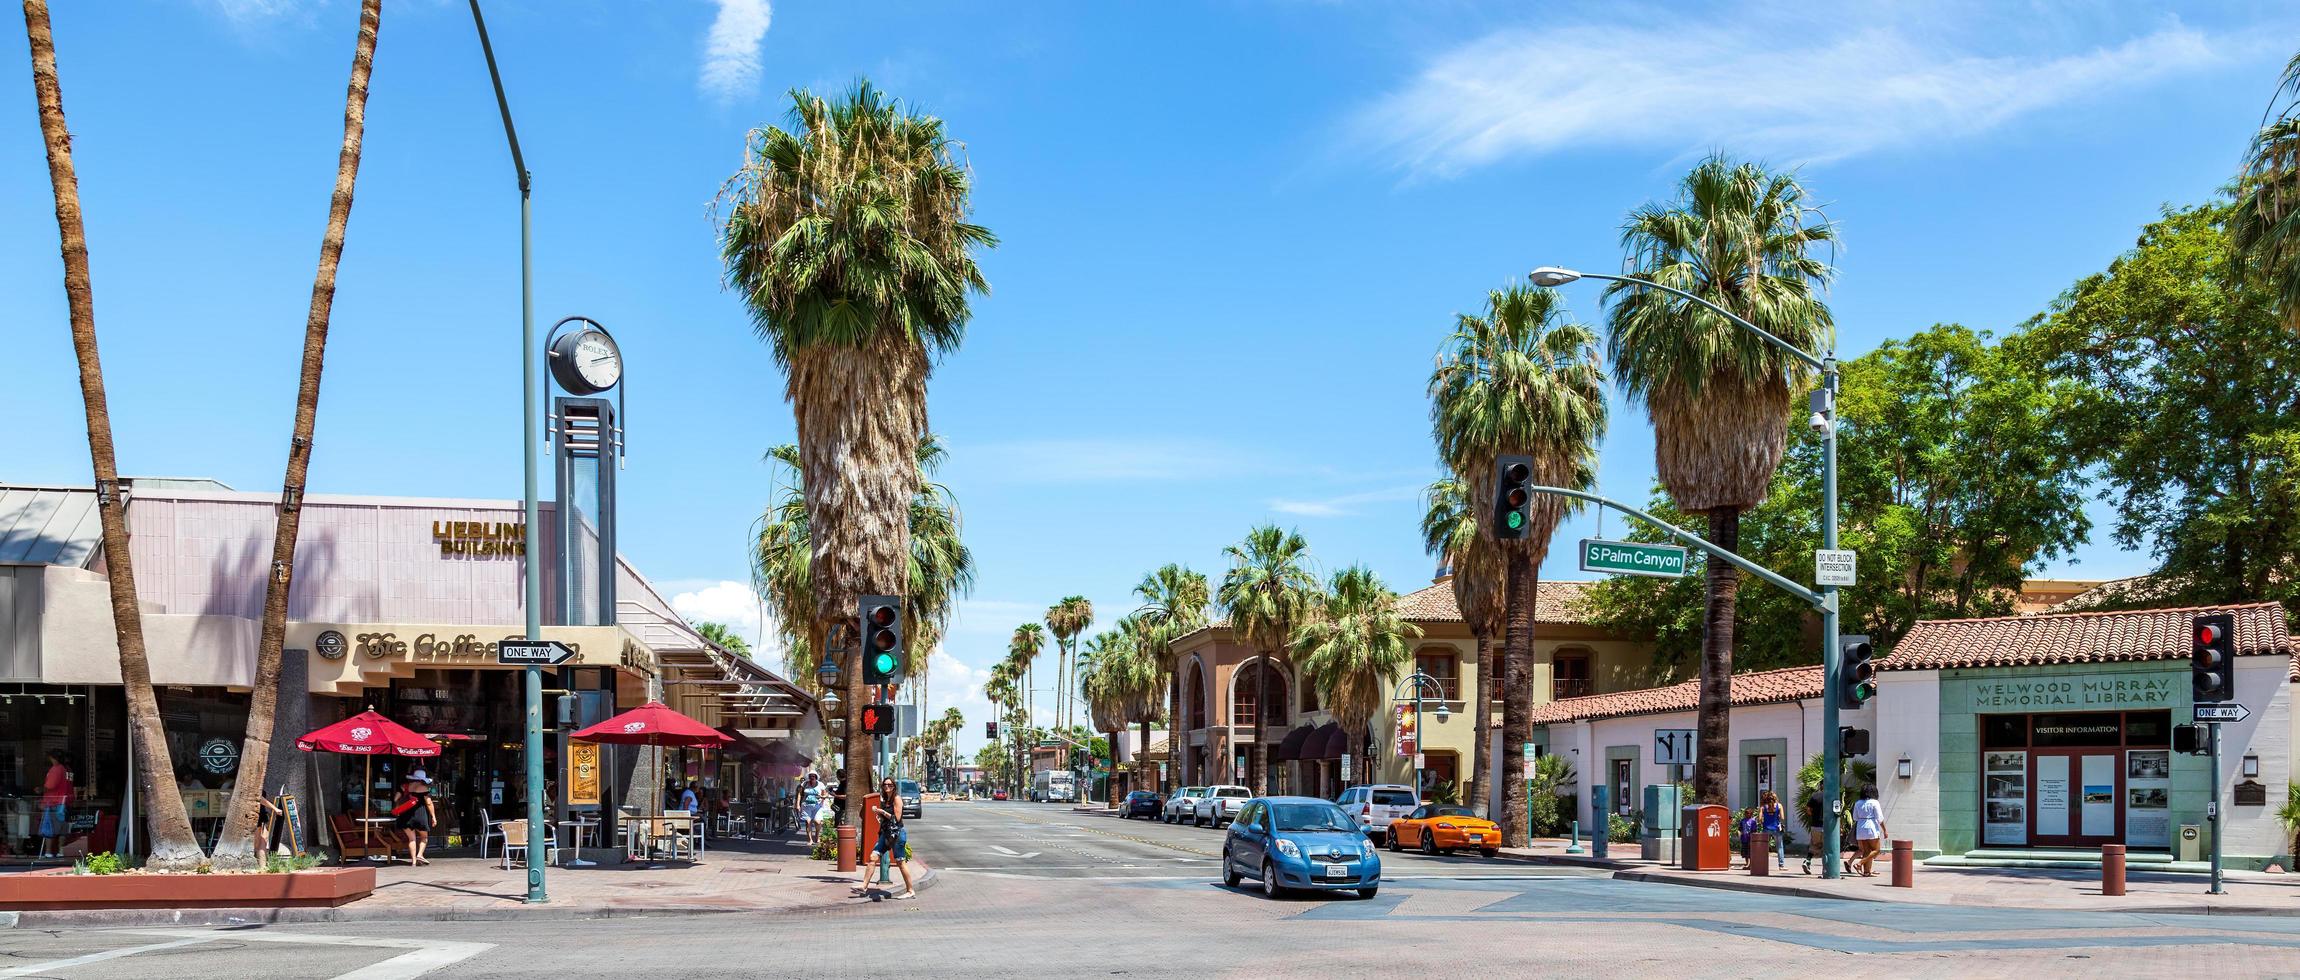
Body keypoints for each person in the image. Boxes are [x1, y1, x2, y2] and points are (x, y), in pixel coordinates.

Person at [854, 776, 916, 900]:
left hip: (897, 835)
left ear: (894, 787)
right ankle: (864, 886)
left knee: (900, 862)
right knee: (873, 857)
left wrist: (882, 812)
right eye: (885, 785)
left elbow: (896, 819)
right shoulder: (885, 800)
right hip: (886, 834)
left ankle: (910, 890)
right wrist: (878, 813)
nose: (887, 787)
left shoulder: (897, 799)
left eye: (890, 785)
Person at [393, 770, 438, 866]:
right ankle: (420, 855)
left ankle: (413, 862)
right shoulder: (424, 788)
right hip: (420, 814)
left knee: (411, 839)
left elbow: (395, 799)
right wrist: (433, 816)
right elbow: (429, 803)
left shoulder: (405, 787)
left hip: (405, 815)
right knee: (424, 837)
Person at [36, 750, 74, 859]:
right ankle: (61, 851)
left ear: (53, 758)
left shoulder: (56, 769)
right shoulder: (68, 770)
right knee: (63, 829)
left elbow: (50, 785)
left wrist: (40, 789)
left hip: (54, 802)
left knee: (49, 828)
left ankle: (48, 852)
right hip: (65, 802)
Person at [1852, 784, 1887, 876]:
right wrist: (1885, 830)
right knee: (1877, 850)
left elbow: (1855, 817)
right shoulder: (1875, 802)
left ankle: (1867, 872)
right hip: (1871, 827)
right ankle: (1859, 863)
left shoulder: (1858, 803)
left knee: (1866, 851)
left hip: (1860, 827)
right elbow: (1880, 818)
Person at [1759, 791, 1788, 871]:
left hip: (1766, 829)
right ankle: (1781, 865)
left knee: (1764, 847)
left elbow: (1760, 819)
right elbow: (1782, 818)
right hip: (1776, 829)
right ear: (1775, 798)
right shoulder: (1779, 806)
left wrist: (1764, 820)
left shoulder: (1763, 807)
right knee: (1780, 847)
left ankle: (1763, 865)